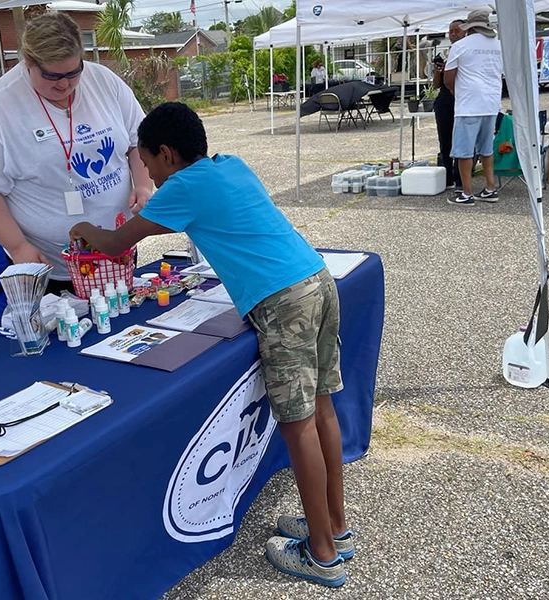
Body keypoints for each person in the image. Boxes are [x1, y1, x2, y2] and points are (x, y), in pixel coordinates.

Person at [69, 102, 356, 588]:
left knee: (298, 426)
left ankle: (321, 555)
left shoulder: (183, 185)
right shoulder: (230, 166)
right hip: (316, 280)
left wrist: (83, 229)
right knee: (322, 410)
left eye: (148, 164)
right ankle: (334, 525)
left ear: (165, 153)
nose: (151, 177)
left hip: (283, 303)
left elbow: (115, 245)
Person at [0, 11, 153, 295]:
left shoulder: (104, 82)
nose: (64, 84)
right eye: (51, 75)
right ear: (28, 62)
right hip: (49, 267)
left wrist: (144, 185)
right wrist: (17, 247)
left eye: (73, 73)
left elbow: (140, 140)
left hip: (117, 251)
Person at [444, 9, 503, 206]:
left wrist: (455, 91)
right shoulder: (499, 46)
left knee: (464, 151)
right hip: (491, 102)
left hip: (469, 103)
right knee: (486, 149)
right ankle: (490, 188)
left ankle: (467, 193)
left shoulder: (460, 46)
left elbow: (448, 77)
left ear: (469, 27)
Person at [433, 20, 466, 191]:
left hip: (462, 98)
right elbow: (437, 84)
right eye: (450, 31)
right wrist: (440, 71)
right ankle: (446, 178)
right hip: (445, 99)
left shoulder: (468, 51)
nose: (453, 34)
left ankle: (461, 178)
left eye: (456, 30)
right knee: (444, 141)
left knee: (461, 141)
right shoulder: (445, 53)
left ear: (465, 32)